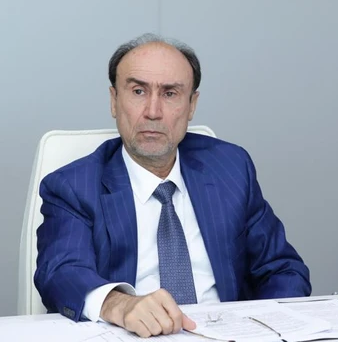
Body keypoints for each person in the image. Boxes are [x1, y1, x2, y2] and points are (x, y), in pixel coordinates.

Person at [35, 34, 311, 337]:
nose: (153, 111)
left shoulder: (231, 168)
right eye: (138, 91)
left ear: (191, 105)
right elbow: (61, 273)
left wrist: (264, 330)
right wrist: (120, 305)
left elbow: (283, 269)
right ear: (114, 100)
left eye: (170, 94)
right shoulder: (74, 186)